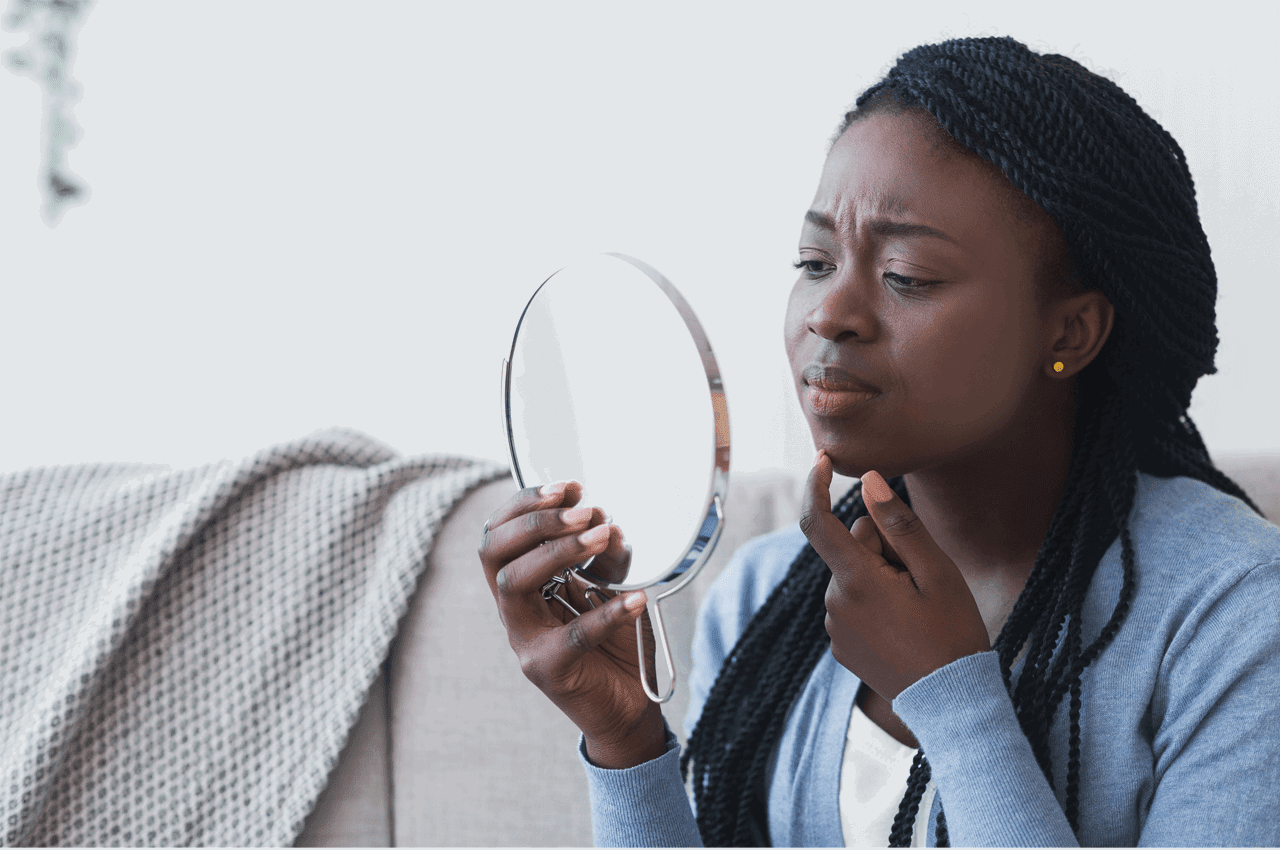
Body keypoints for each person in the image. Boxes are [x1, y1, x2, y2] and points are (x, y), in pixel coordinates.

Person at [476, 35, 1280, 847]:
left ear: (1070, 330)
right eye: (814, 261)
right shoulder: (760, 601)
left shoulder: (1236, 618)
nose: (830, 313)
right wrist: (625, 744)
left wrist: (953, 698)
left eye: (906, 276)